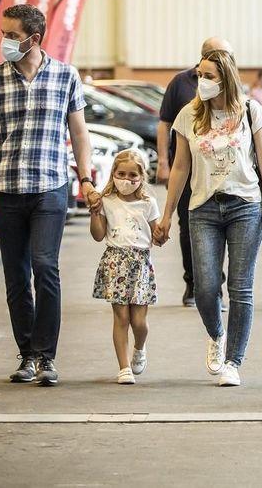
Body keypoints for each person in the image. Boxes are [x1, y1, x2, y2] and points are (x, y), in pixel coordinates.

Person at [0, 4, 101, 386]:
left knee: (46, 267)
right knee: (16, 275)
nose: (3, 41)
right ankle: (26, 355)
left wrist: (85, 178)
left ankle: (46, 356)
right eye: (2, 34)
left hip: (50, 187)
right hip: (6, 187)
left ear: (33, 39)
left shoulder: (65, 76)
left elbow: (79, 133)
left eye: (10, 34)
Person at [154, 49, 262, 387]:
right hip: (203, 208)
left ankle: (233, 362)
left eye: (209, 76)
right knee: (205, 287)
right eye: (200, 75)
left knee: (241, 287)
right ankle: (216, 334)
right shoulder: (189, 115)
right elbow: (181, 166)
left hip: (246, 205)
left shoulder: (251, 112)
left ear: (225, 78)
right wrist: (167, 215)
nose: (202, 82)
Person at [157, 37, 234, 307]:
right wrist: (163, 163)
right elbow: (164, 123)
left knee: (221, 225)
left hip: (220, 171)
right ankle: (193, 281)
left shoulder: (233, 86)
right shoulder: (181, 83)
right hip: (187, 166)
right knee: (189, 226)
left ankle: (216, 285)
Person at [89, 149, 160, 385]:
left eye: (132, 175)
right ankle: (124, 367)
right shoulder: (106, 201)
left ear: (141, 177)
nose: (126, 180)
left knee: (139, 322)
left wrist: (162, 232)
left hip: (140, 263)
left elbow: (156, 234)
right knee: (120, 317)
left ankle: (140, 347)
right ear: (113, 174)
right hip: (114, 261)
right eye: (121, 174)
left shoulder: (148, 203)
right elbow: (98, 236)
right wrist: (95, 213)